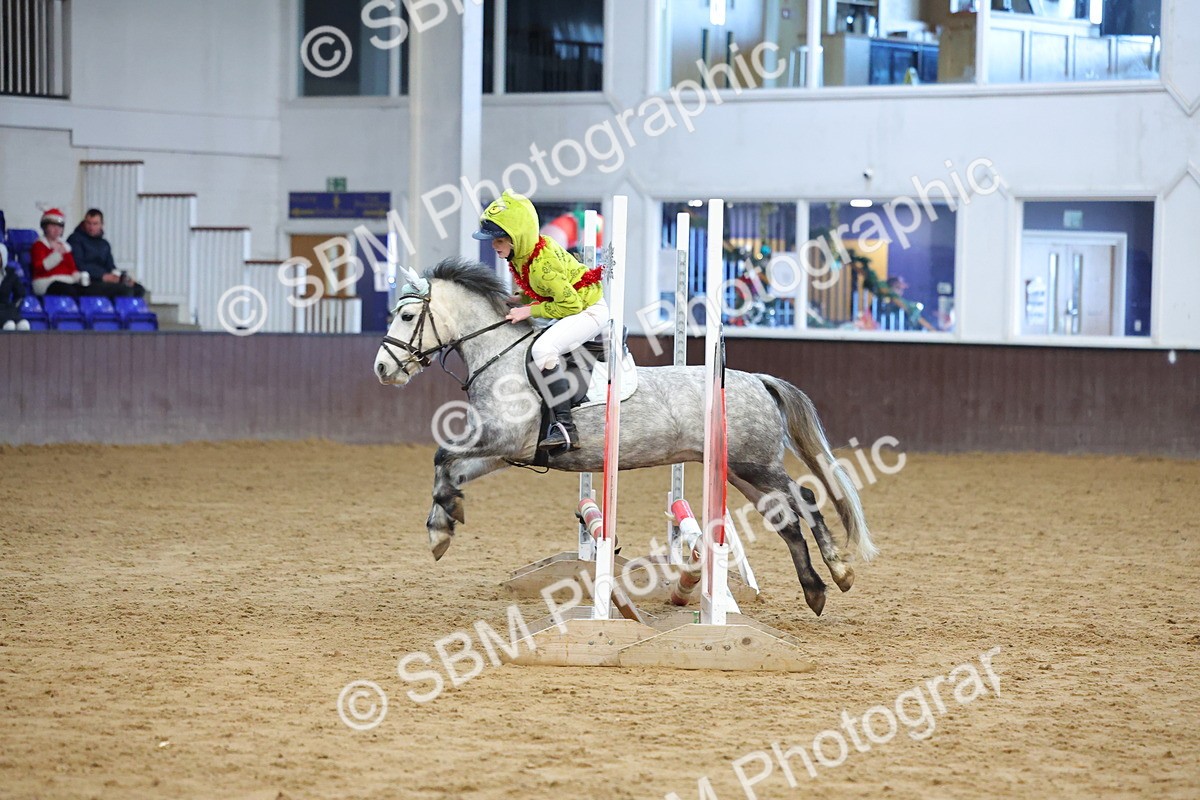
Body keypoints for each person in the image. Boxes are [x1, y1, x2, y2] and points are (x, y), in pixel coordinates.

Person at [473, 191, 608, 452]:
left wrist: (529, 311)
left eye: (499, 240)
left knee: (542, 349)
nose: (494, 246)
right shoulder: (524, 255)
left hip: (589, 311)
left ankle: (565, 429)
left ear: (516, 239)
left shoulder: (540, 266)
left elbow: (571, 304)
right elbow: (539, 290)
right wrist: (519, 299)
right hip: (576, 307)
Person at [68, 208, 146, 298]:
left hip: (105, 279)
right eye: (89, 223)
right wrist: (102, 276)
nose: (91, 227)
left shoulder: (104, 244)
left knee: (138, 289)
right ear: (84, 223)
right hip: (88, 281)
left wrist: (121, 277)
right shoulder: (75, 239)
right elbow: (78, 265)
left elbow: (111, 266)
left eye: (95, 224)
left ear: (102, 224)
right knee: (124, 290)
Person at [30, 208, 90, 297]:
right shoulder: (39, 245)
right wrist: (57, 255)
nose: (57, 229)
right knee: (69, 290)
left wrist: (80, 277)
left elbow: (72, 269)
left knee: (88, 290)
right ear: (45, 227)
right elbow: (40, 268)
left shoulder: (65, 247)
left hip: (67, 280)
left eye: (59, 226)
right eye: (53, 226)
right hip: (47, 282)